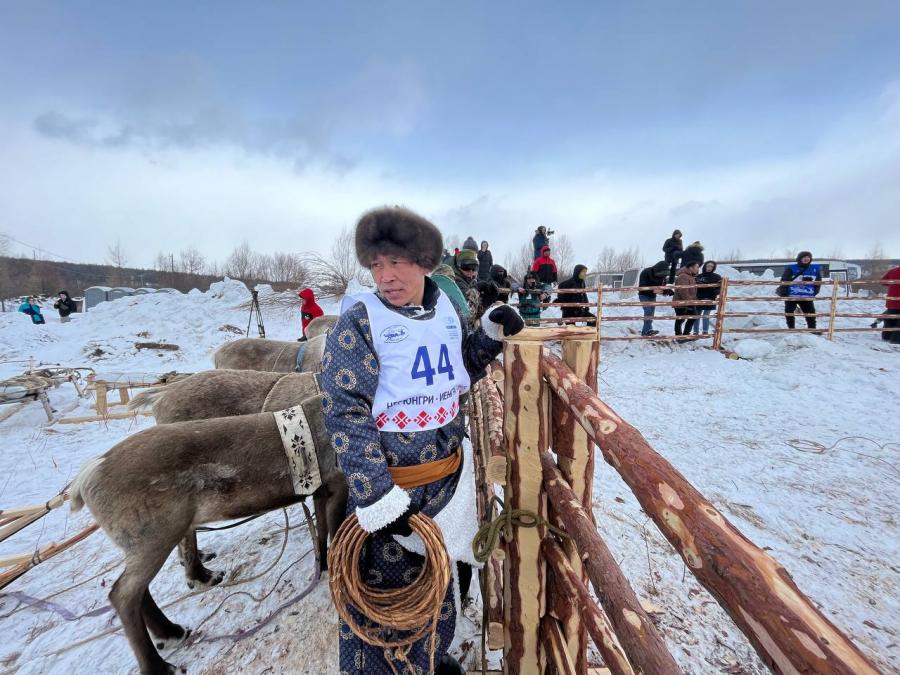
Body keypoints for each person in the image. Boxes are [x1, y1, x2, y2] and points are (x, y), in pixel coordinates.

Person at [322, 206, 523, 675]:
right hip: (391, 491)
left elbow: (454, 376)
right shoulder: (359, 322)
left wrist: (490, 335)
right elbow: (345, 411)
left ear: (426, 262)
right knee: (386, 600)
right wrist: (377, 496)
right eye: (376, 265)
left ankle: (430, 659)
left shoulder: (447, 312)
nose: (385, 276)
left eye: (396, 263)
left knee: (438, 585)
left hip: (444, 487)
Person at [780, 251, 822, 332]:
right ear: (800, 258)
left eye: (808, 257)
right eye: (804, 257)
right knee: (789, 312)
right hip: (792, 295)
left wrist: (815, 291)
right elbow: (784, 280)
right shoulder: (791, 268)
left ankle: (812, 329)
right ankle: (791, 328)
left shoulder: (815, 269)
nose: (806, 259)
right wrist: (784, 293)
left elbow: (818, 281)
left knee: (810, 312)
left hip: (807, 295)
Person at [637, 261, 670, 336]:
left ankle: (648, 330)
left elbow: (663, 287)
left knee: (651, 314)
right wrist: (654, 290)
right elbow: (641, 287)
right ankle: (646, 331)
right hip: (643, 295)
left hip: (652, 296)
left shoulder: (662, 276)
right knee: (648, 311)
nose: (662, 276)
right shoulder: (646, 272)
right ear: (658, 269)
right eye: (661, 274)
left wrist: (667, 291)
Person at [452, 249, 483, 322]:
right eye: (466, 267)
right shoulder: (456, 281)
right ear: (458, 267)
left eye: (474, 268)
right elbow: (469, 313)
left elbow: (478, 314)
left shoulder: (471, 281)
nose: (471, 271)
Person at [692, 261, 722, 335]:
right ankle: (695, 332)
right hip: (699, 298)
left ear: (714, 268)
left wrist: (715, 292)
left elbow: (720, 288)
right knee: (697, 316)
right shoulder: (699, 276)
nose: (709, 268)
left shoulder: (717, 277)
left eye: (712, 266)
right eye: (708, 266)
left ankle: (705, 331)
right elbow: (694, 287)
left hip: (710, 298)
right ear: (705, 266)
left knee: (706, 316)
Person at [673, 262, 700, 338]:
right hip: (682, 302)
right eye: (697, 267)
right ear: (691, 268)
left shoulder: (690, 276)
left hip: (688, 302)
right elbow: (683, 291)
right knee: (680, 319)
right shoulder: (683, 276)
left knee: (692, 317)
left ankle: (685, 335)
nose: (698, 269)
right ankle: (679, 336)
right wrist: (690, 301)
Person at [880, 264, 900, 344]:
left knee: (891, 318)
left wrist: (893, 285)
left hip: (891, 301)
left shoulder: (893, 271)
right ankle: (896, 339)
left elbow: (883, 281)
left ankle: (886, 336)